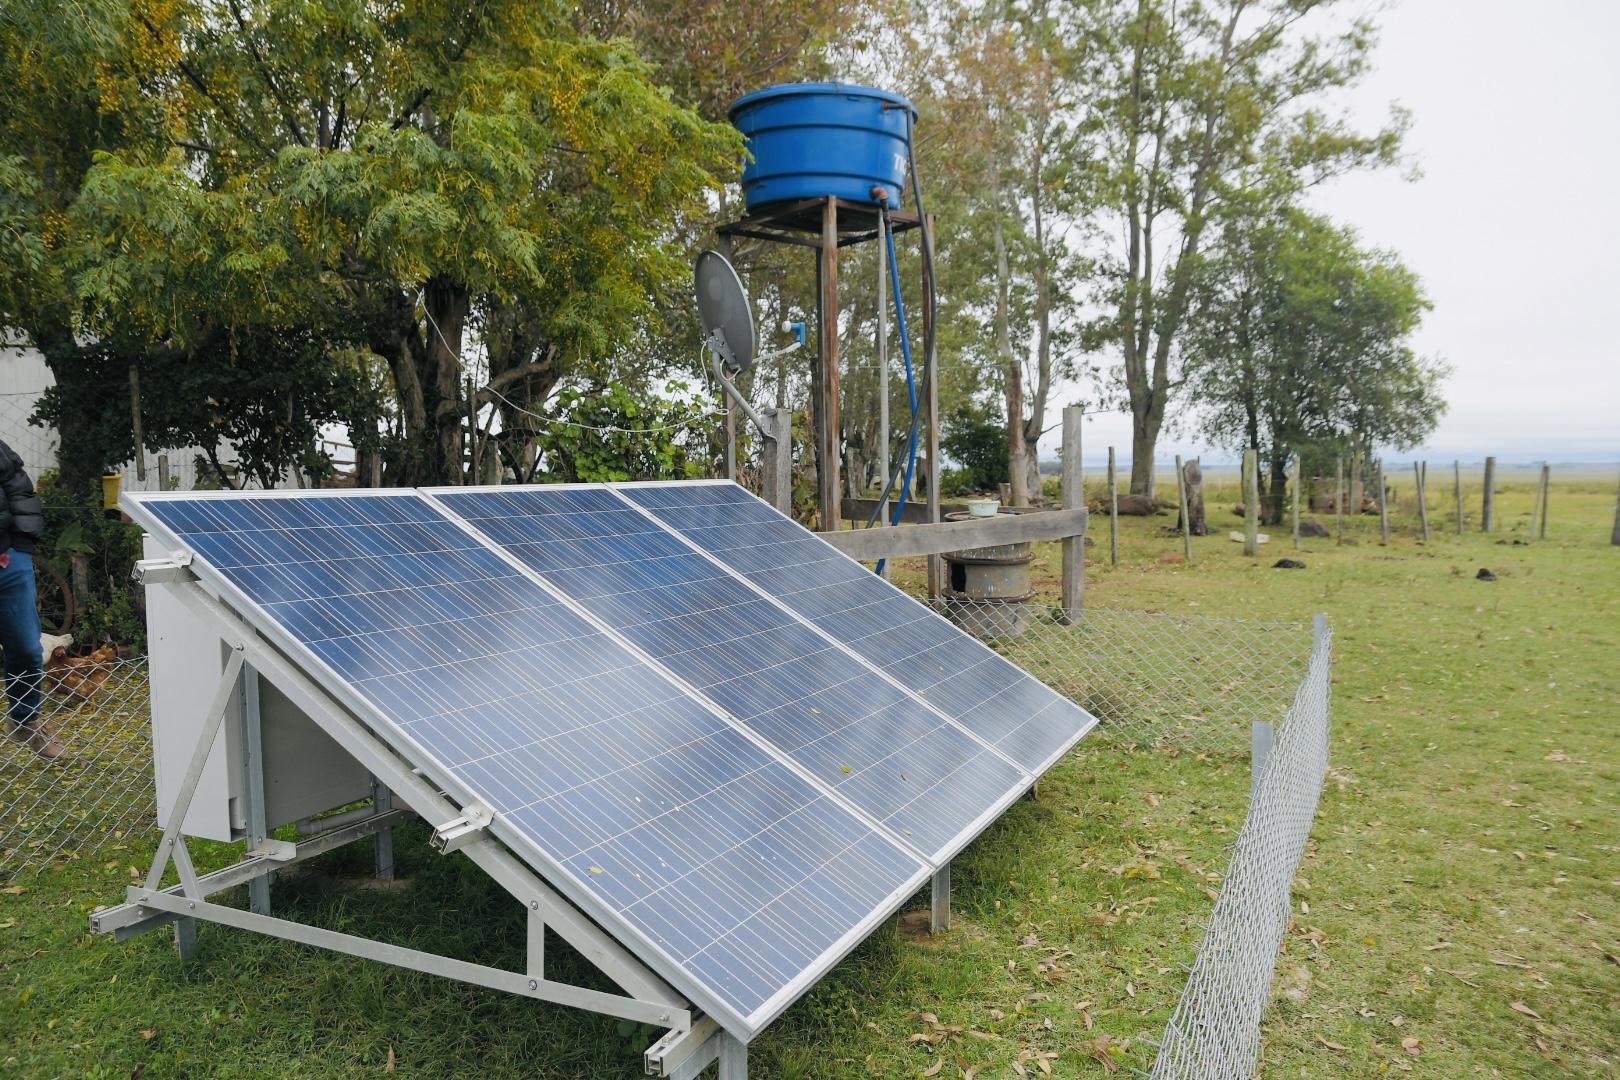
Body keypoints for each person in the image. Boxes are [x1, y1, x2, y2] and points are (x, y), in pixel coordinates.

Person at [0, 439, 59, 759]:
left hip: (8, 562)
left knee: (25, 646)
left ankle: (25, 721)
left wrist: (20, 546)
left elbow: (20, 490)